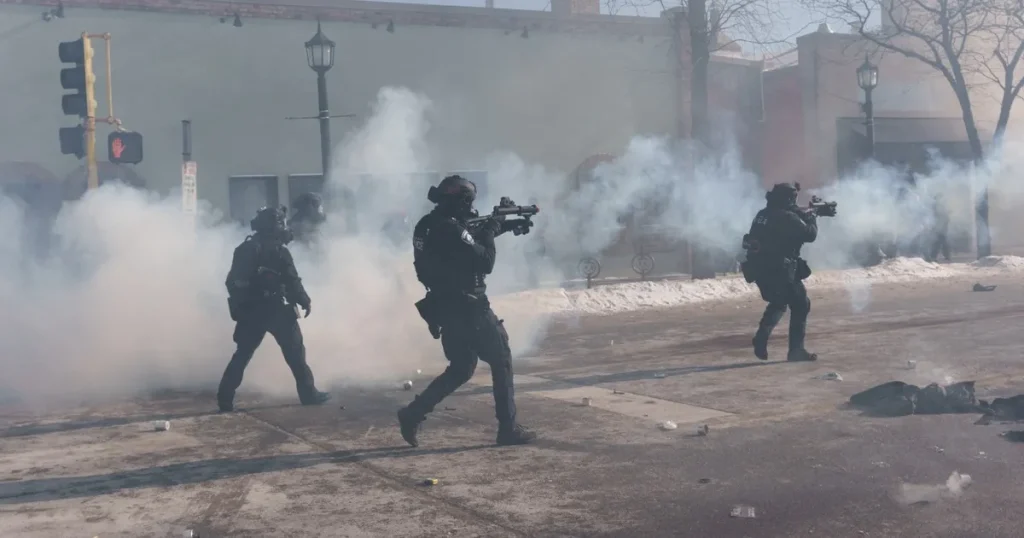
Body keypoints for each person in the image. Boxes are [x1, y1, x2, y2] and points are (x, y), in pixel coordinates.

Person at [398, 175, 536, 447]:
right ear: (460, 201)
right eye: (468, 203)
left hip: (445, 307)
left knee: (461, 369)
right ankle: (508, 428)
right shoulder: (449, 228)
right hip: (470, 308)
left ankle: (413, 413)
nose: (471, 208)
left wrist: (505, 226)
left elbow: (465, 243)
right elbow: (484, 261)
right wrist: (493, 226)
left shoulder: (428, 224)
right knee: (501, 359)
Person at [217, 206, 331, 412]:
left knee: (242, 355)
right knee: (296, 355)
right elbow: (292, 281)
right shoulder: (279, 251)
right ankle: (309, 394)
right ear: (274, 226)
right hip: (276, 310)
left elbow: (231, 282)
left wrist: (244, 303)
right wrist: (304, 300)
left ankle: (224, 399)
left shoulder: (244, 249)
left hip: (250, 312)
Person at [742, 182, 819, 362]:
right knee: (800, 304)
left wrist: (805, 212)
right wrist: (813, 216)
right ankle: (796, 351)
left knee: (779, 301)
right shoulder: (786, 217)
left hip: (761, 269)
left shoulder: (762, 214)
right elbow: (810, 234)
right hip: (781, 270)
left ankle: (761, 337)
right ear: (788, 199)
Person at [926, 193, 951, 263]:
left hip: (941, 226)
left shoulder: (940, 206)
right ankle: (941, 256)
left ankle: (935, 256)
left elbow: (944, 216)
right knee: (939, 241)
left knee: (939, 241)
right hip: (938, 226)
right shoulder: (937, 206)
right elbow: (937, 215)